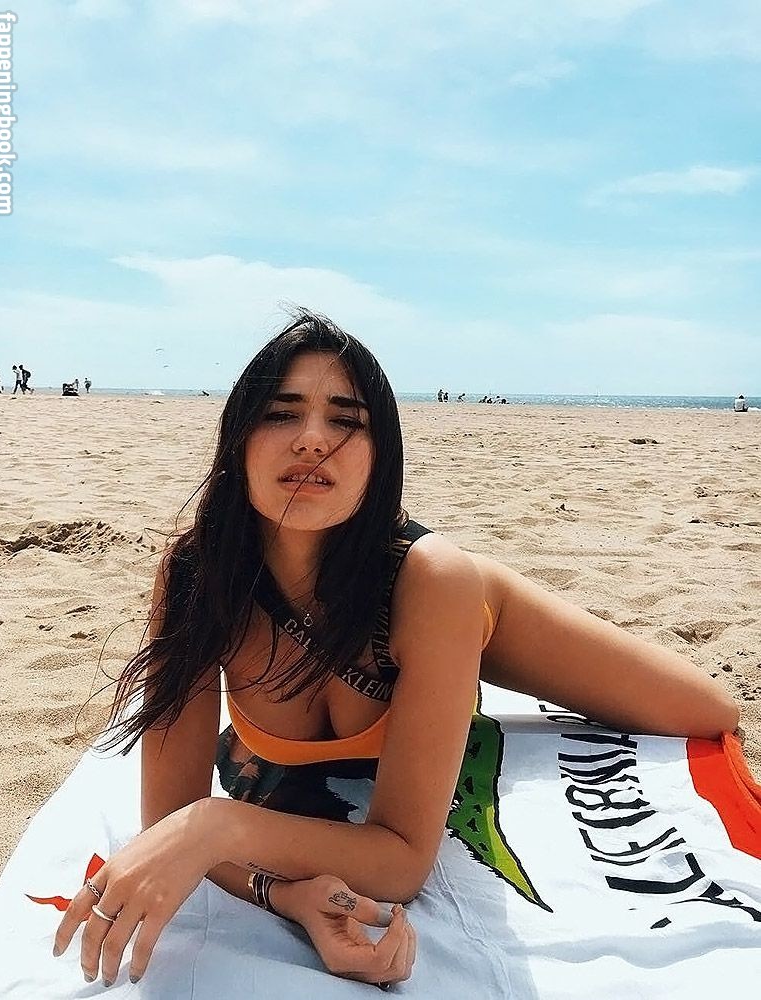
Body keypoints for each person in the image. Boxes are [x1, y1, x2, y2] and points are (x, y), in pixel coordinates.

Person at [53, 310, 739, 991]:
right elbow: (166, 827)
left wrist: (219, 824)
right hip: (403, 623)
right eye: (281, 414)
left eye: (345, 420)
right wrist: (287, 895)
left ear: (379, 457)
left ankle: (459, 650)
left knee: (704, 712)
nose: (312, 439)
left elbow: (403, 859)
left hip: (454, 612)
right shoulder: (199, 577)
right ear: (237, 443)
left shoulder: (433, 582)